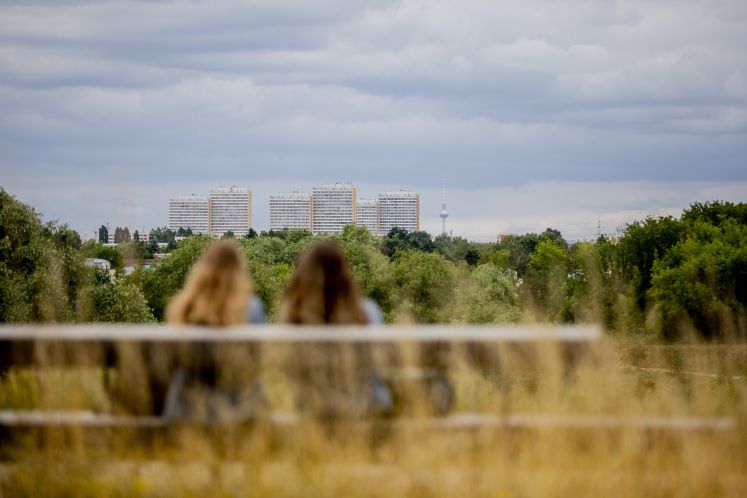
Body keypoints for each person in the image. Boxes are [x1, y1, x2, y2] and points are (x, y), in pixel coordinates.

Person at [278, 240, 392, 418]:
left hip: (311, 410)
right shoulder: (367, 313)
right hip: (365, 409)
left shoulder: (293, 317)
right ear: (344, 275)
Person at [163, 240, 267, 423]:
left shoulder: (183, 309)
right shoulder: (251, 309)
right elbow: (258, 358)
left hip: (185, 410)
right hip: (239, 409)